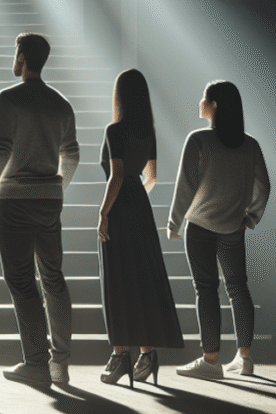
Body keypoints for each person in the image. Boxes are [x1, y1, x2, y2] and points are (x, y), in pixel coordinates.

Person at [0, 32, 79, 387]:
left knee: (22, 281)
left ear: (22, 56)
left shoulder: (8, 99)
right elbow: (73, 154)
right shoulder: (61, 104)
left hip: (16, 198)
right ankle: (61, 363)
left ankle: (35, 362)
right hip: (49, 200)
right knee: (53, 278)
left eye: (15, 52)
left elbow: (0, 146)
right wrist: (57, 186)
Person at [169, 80, 269, 380]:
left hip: (199, 226)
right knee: (238, 287)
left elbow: (185, 186)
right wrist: (249, 217)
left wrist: (174, 222)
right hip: (233, 229)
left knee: (206, 289)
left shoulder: (198, 140)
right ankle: (245, 357)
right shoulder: (250, 144)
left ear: (214, 106)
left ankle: (211, 361)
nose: (200, 102)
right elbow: (263, 187)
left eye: (204, 98)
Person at [96, 69, 182, 387]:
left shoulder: (114, 130)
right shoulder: (149, 132)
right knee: (142, 279)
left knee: (119, 281)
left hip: (120, 209)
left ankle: (121, 356)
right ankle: (148, 354)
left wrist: (105, 212)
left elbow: (116, 175)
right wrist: (134, 199)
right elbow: (152, 177)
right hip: (140, 210)